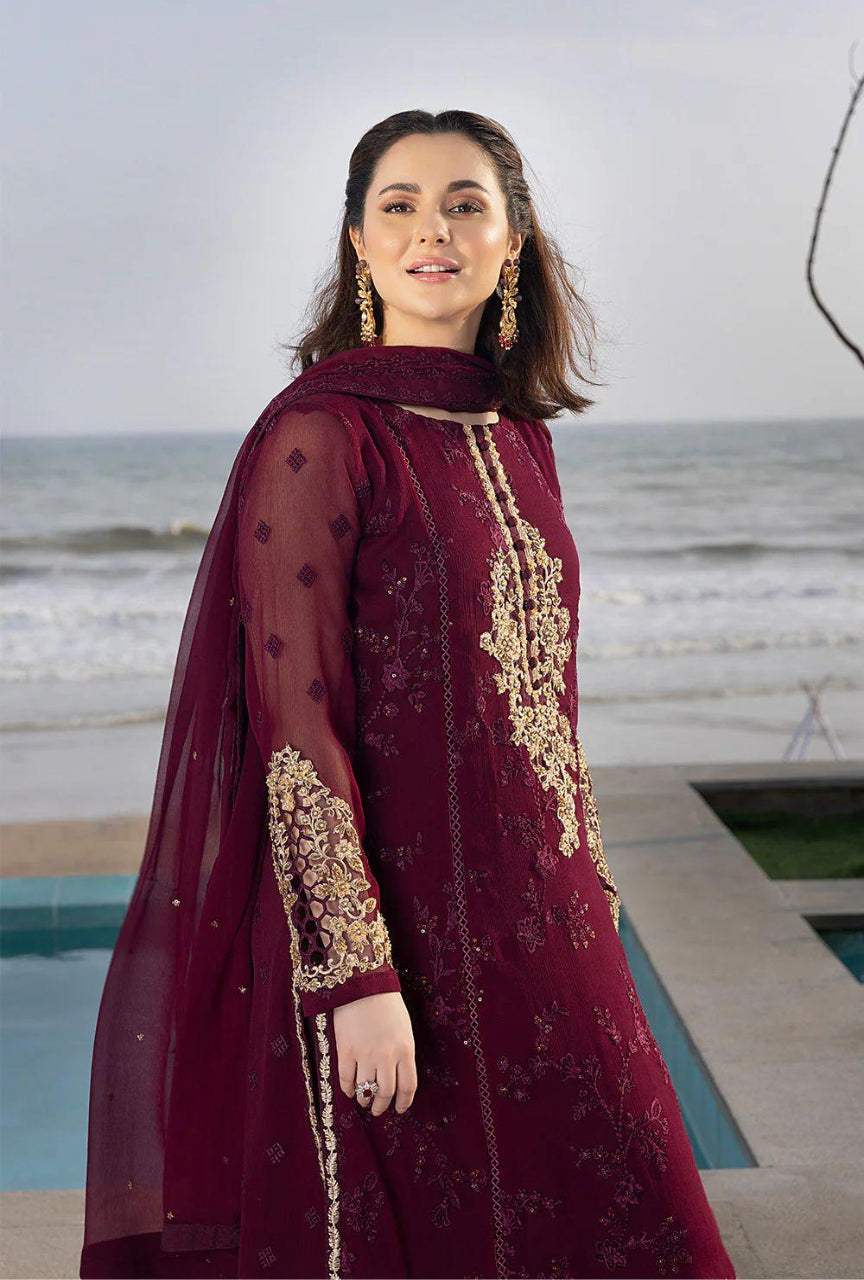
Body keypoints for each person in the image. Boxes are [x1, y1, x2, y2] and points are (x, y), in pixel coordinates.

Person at [79, 109, 737, 1280]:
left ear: (512, 241)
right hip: (400, 935)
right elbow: (298, 722)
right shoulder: (322, 435)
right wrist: (356, 976)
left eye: (464, 204)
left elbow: (543, 701)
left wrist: (590, 886)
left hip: (550, 923)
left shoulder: (520, 435)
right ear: (359, 243)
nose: (432, 229)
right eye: (400, 205)